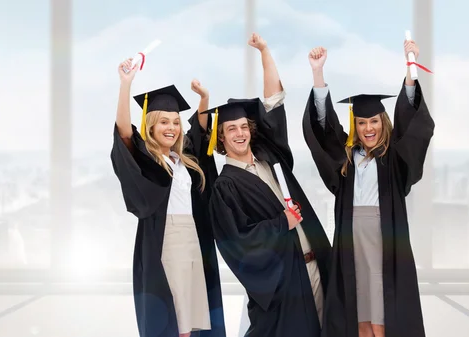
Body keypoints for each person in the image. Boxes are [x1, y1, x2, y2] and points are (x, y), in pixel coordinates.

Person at [302, 40, 434, 337]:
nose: (368, 128)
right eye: (361, 123)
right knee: (357, 307)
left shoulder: (393, 159)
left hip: (385, 240)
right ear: (355, 125)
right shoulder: (346, 158)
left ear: (382, 121)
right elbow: (324, 130)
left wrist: (410, 67)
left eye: (373, 120)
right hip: (351, 240)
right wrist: (318, 74)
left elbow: (412, 125)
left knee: (384, 310)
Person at [205, 33, 331, 337]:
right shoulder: (225, 187)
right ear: (220, 138)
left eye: (243, 127)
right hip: (284, 281)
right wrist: (280, 223)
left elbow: (273, 104)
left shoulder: (269, 158)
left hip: (317, 266)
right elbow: (236, 242)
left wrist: (265, 52)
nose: (239, 133)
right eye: (230, 129)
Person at [111, 58, 225, 337]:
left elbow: (199, 134)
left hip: (191, 239)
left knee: (190, 318)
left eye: (175, 122)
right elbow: (124, 134)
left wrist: (205, 99)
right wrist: (126, 85)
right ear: (150, 125)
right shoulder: (147, 157)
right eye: (164, 121)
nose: (171, 127)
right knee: (173, 317)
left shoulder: (182, 158)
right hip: (165, 240)